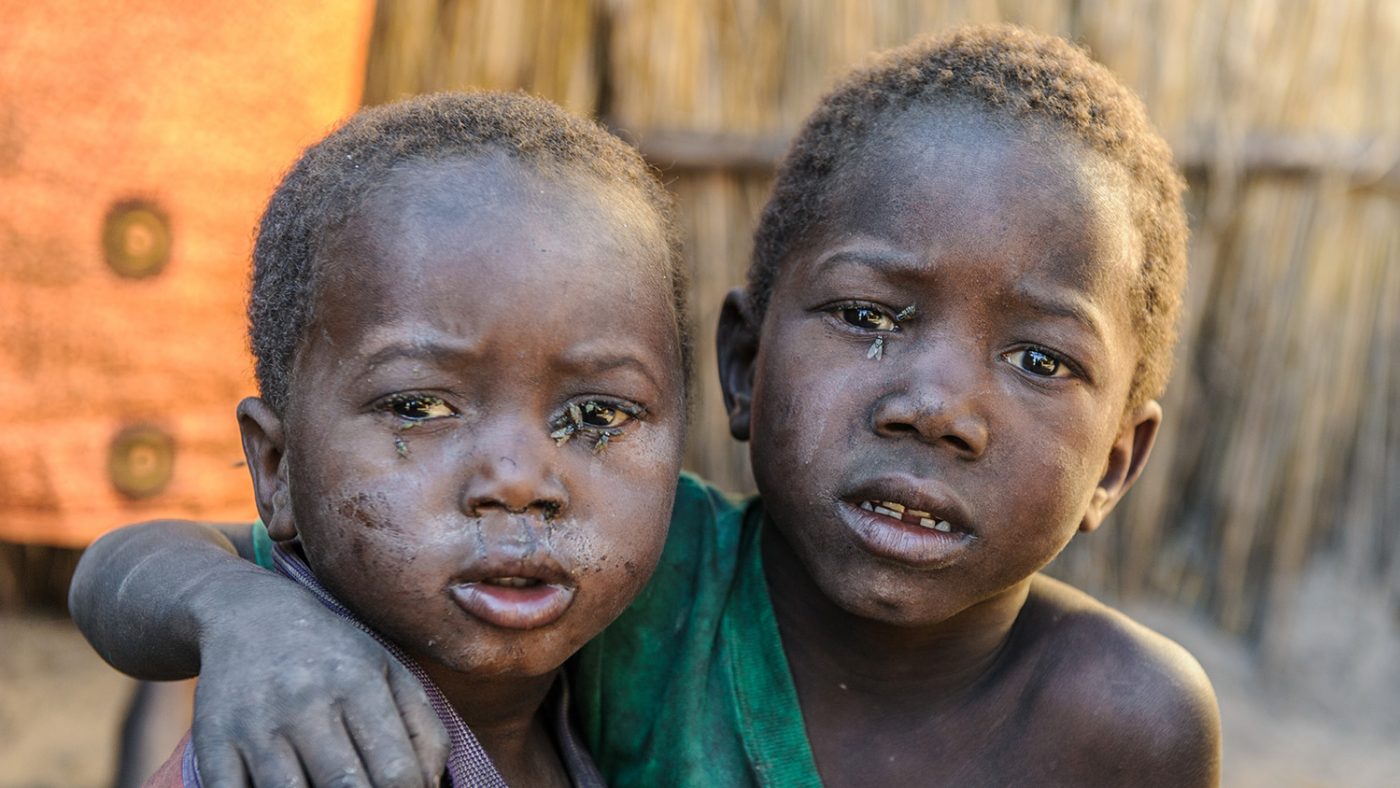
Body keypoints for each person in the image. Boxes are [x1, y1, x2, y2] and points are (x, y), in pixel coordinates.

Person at [72, 25, 1221, 787]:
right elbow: (147, 568)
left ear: (1118, 463)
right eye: (869, 316)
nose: (935, 406)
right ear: (740, 364)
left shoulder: (1127, 723)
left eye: (1037, 360)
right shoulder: (634, 568)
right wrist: (247, 618)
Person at [76, 90, 693, 787]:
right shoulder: (303, 754)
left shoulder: (573, 722)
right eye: (420, 406)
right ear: (276, 468)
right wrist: (240, 613)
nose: (519, 480)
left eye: (599, 417)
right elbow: (114, 571)